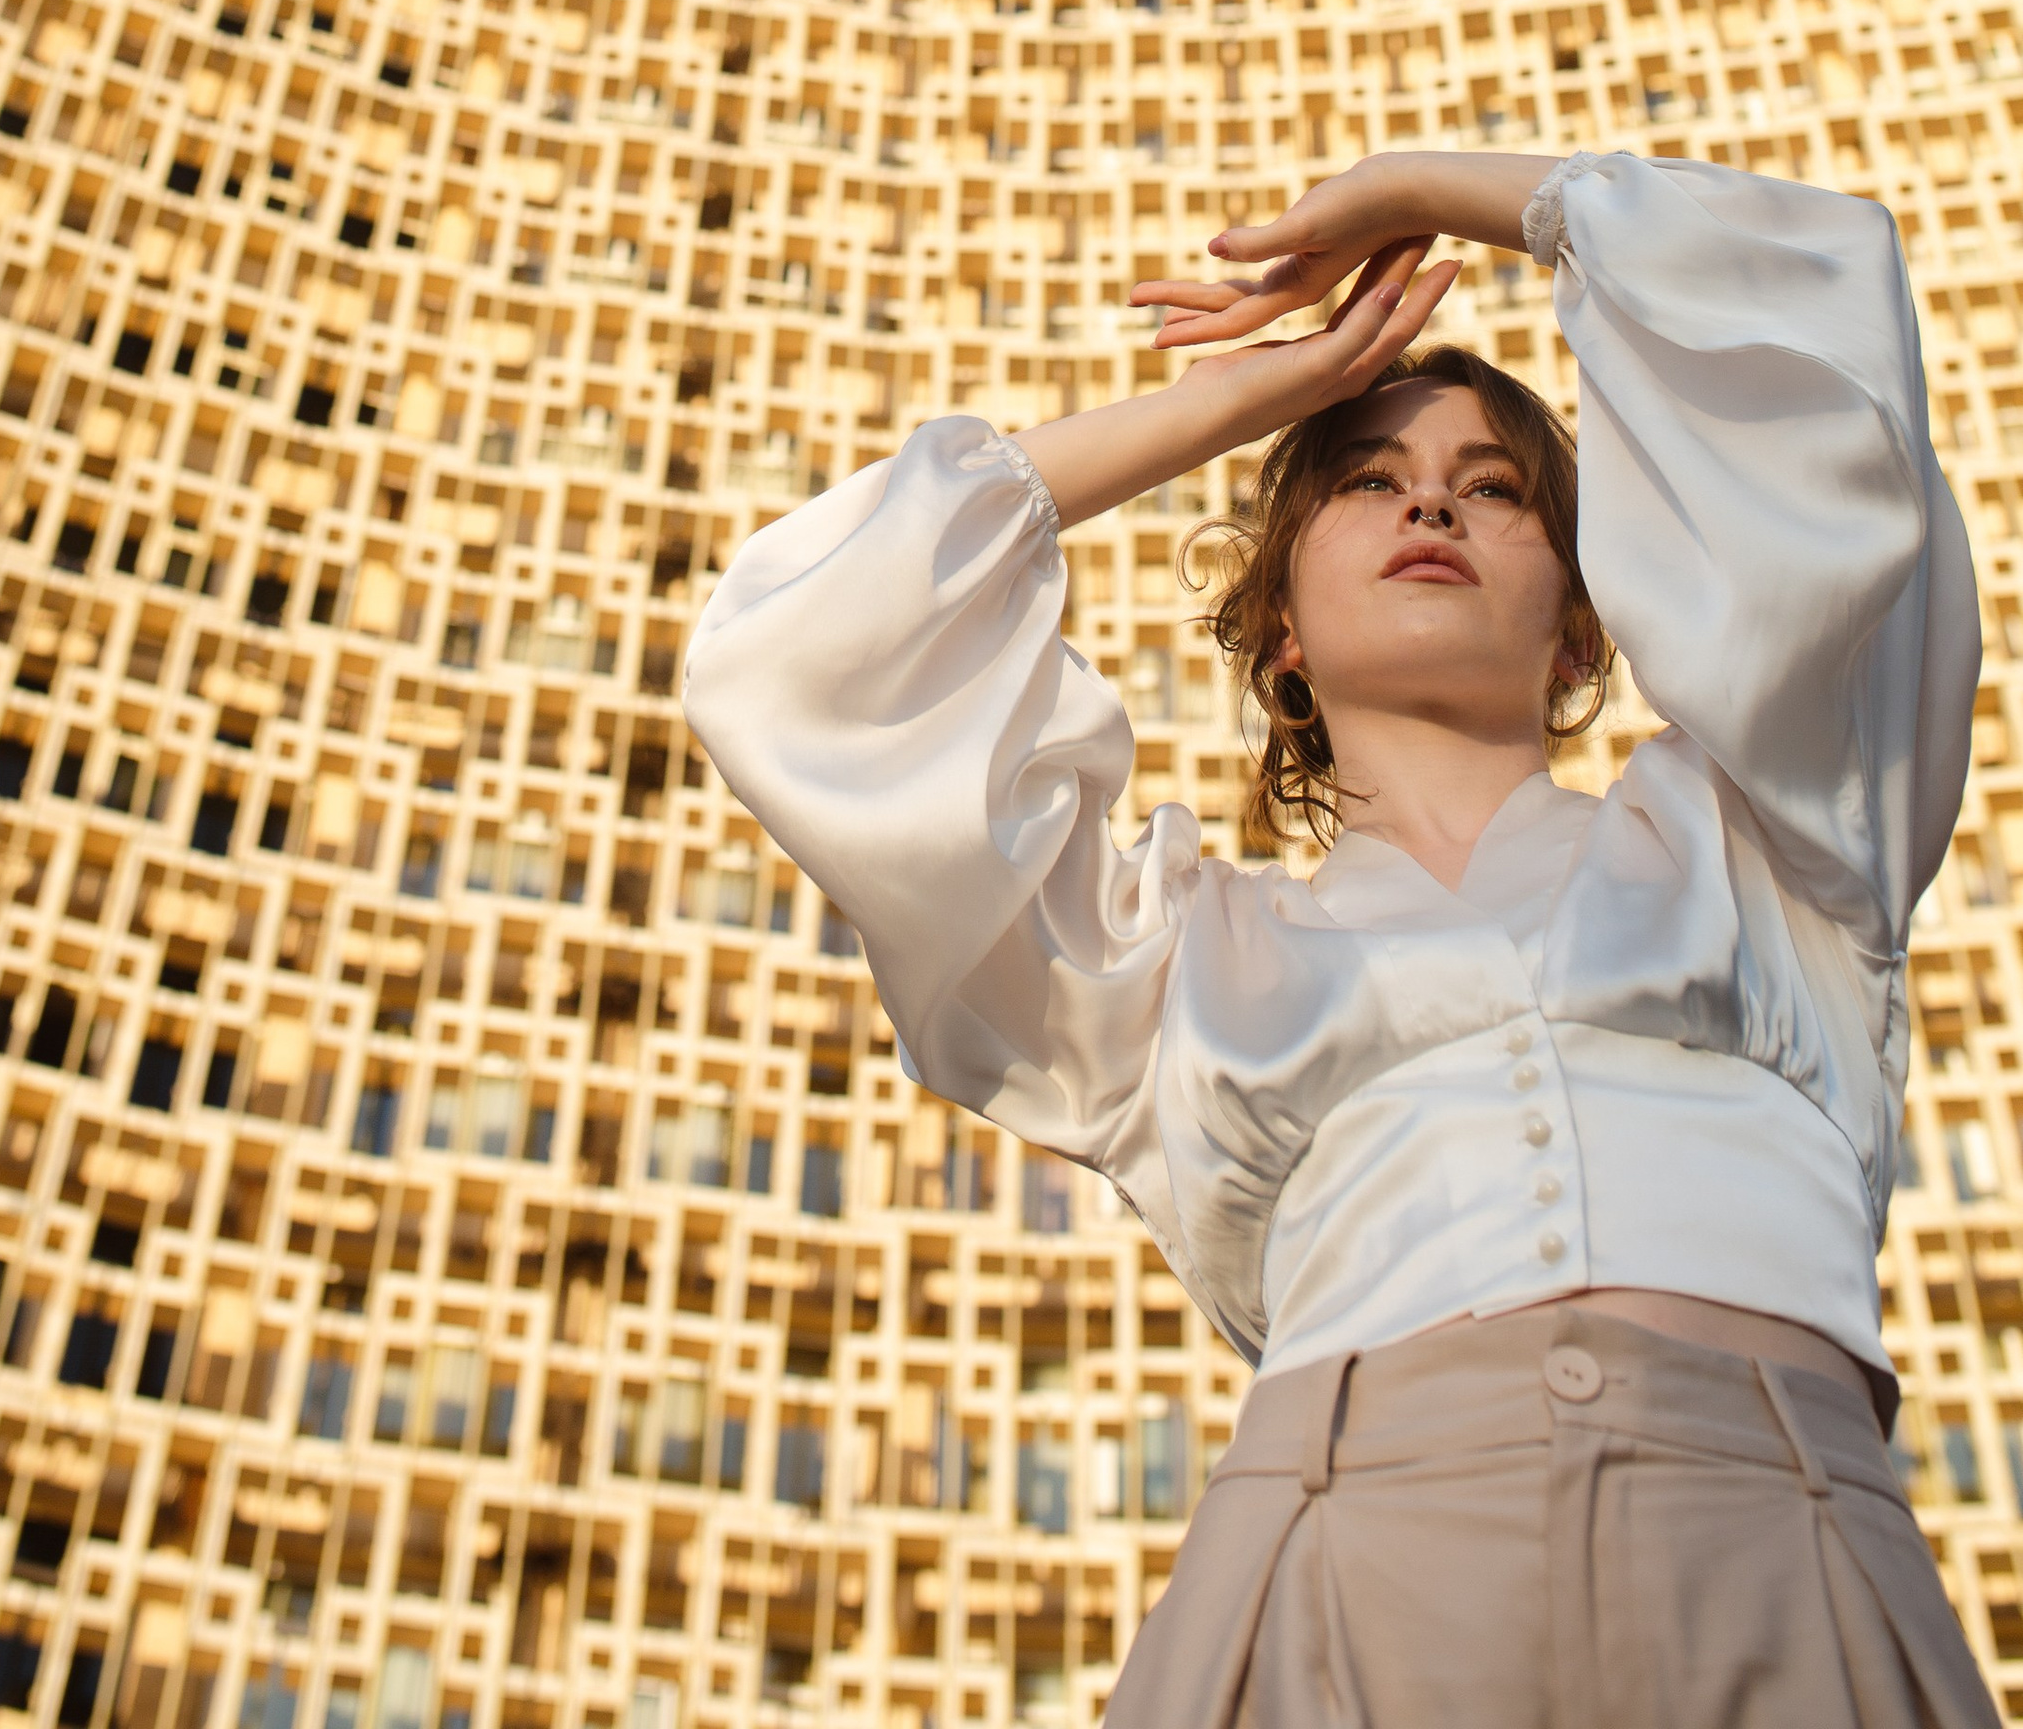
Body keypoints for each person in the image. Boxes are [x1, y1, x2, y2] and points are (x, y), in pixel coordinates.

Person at [683, 150, 1994, 1727]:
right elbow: (801, 661)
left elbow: (1822, 351)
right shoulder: (1165, 965)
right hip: (1327, 1561)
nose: (1430, 497)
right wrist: (1256, 399)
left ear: (1582, 621)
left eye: (1493, 485)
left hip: (1790, 1547)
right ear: (1282, 634)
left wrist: (1421, 191)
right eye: (1365, 479)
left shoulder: (1775, 842)